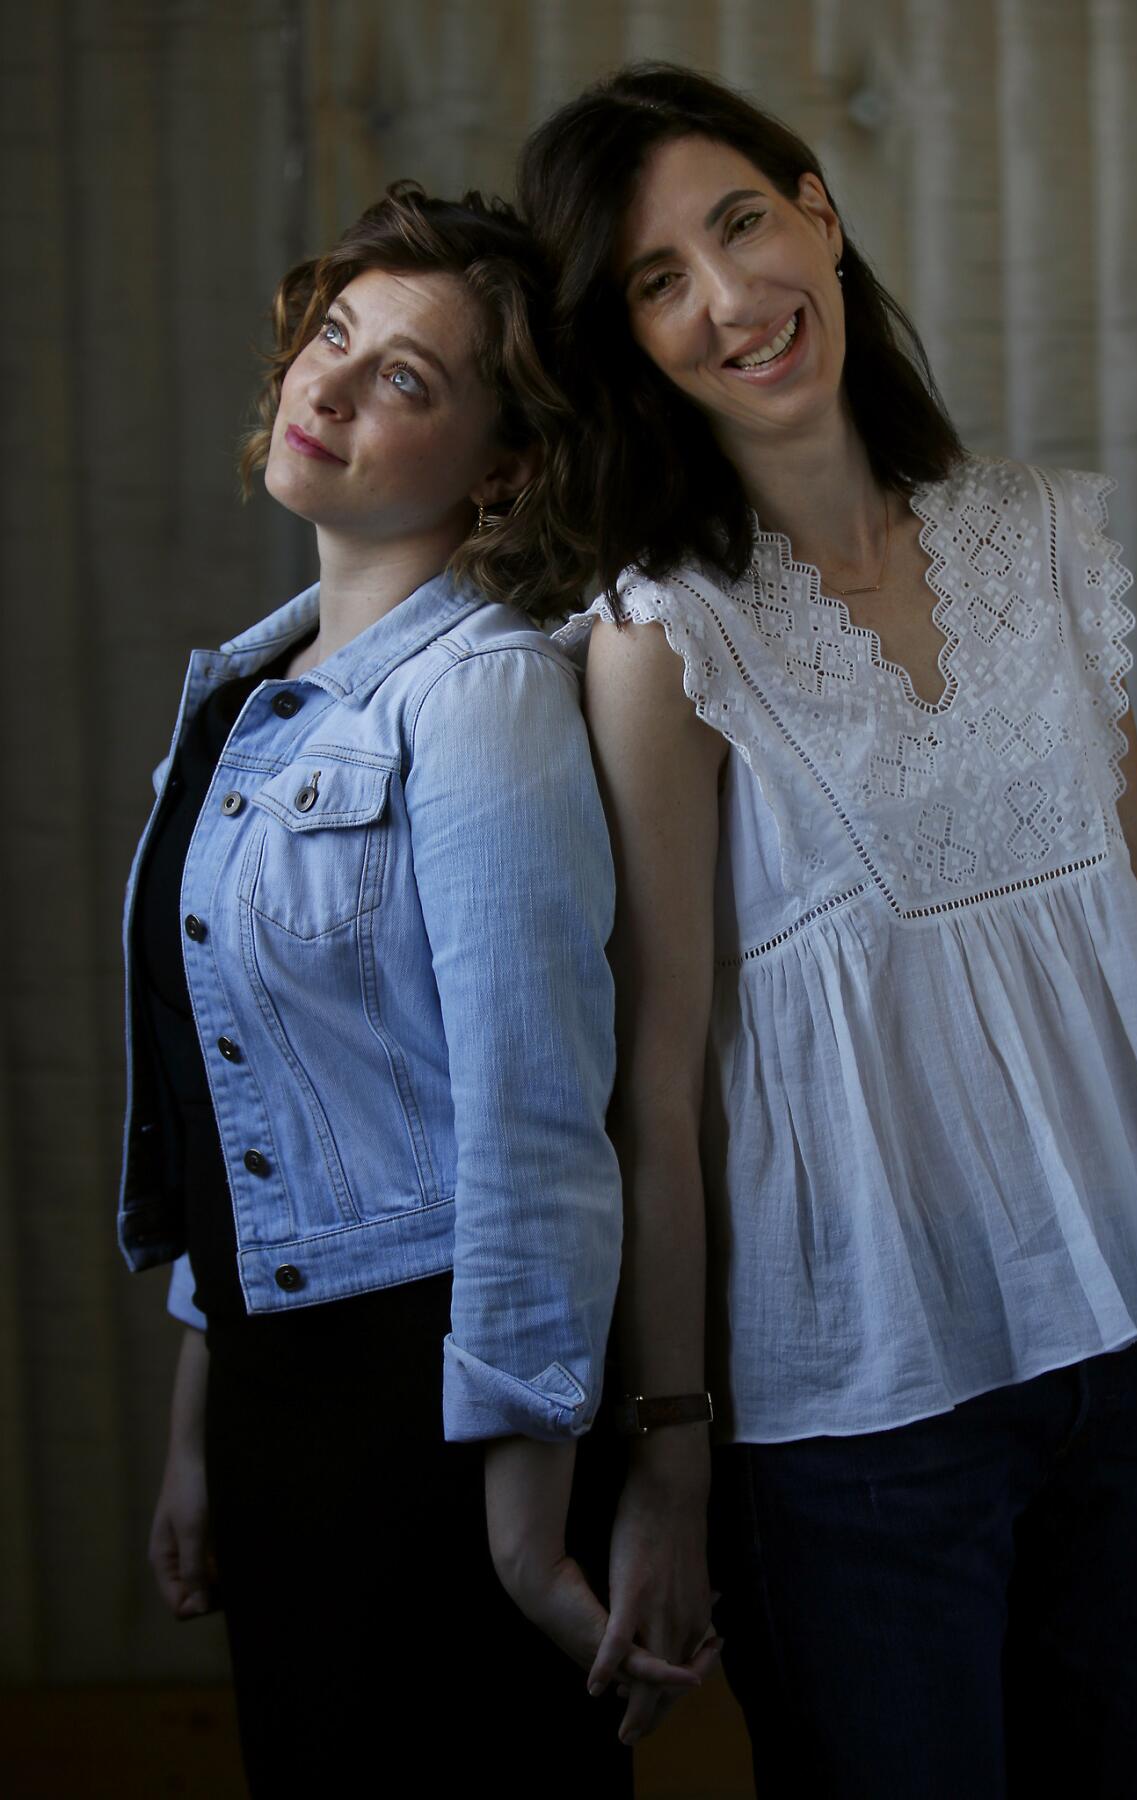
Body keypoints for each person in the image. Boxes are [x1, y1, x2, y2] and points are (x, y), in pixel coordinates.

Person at [517, 64, 1137, 1798]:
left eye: (739, 222)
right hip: (871, 1402)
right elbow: (657, 1077)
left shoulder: (1042, 534)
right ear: (624, 341)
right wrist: (672, 1457)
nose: (731, 300)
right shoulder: (660, 634)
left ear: (818, 207)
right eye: (659, 279)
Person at [118, 180, 700, 1795]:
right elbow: (235, 1101)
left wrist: (524, 1518)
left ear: (505, 466)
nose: (328, 385)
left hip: (434, 1406)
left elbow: (535, 1119)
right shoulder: (245, 698)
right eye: (333, 336)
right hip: (273, 1394)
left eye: (406, 380)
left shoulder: (487, 698)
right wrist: (196, 1435)